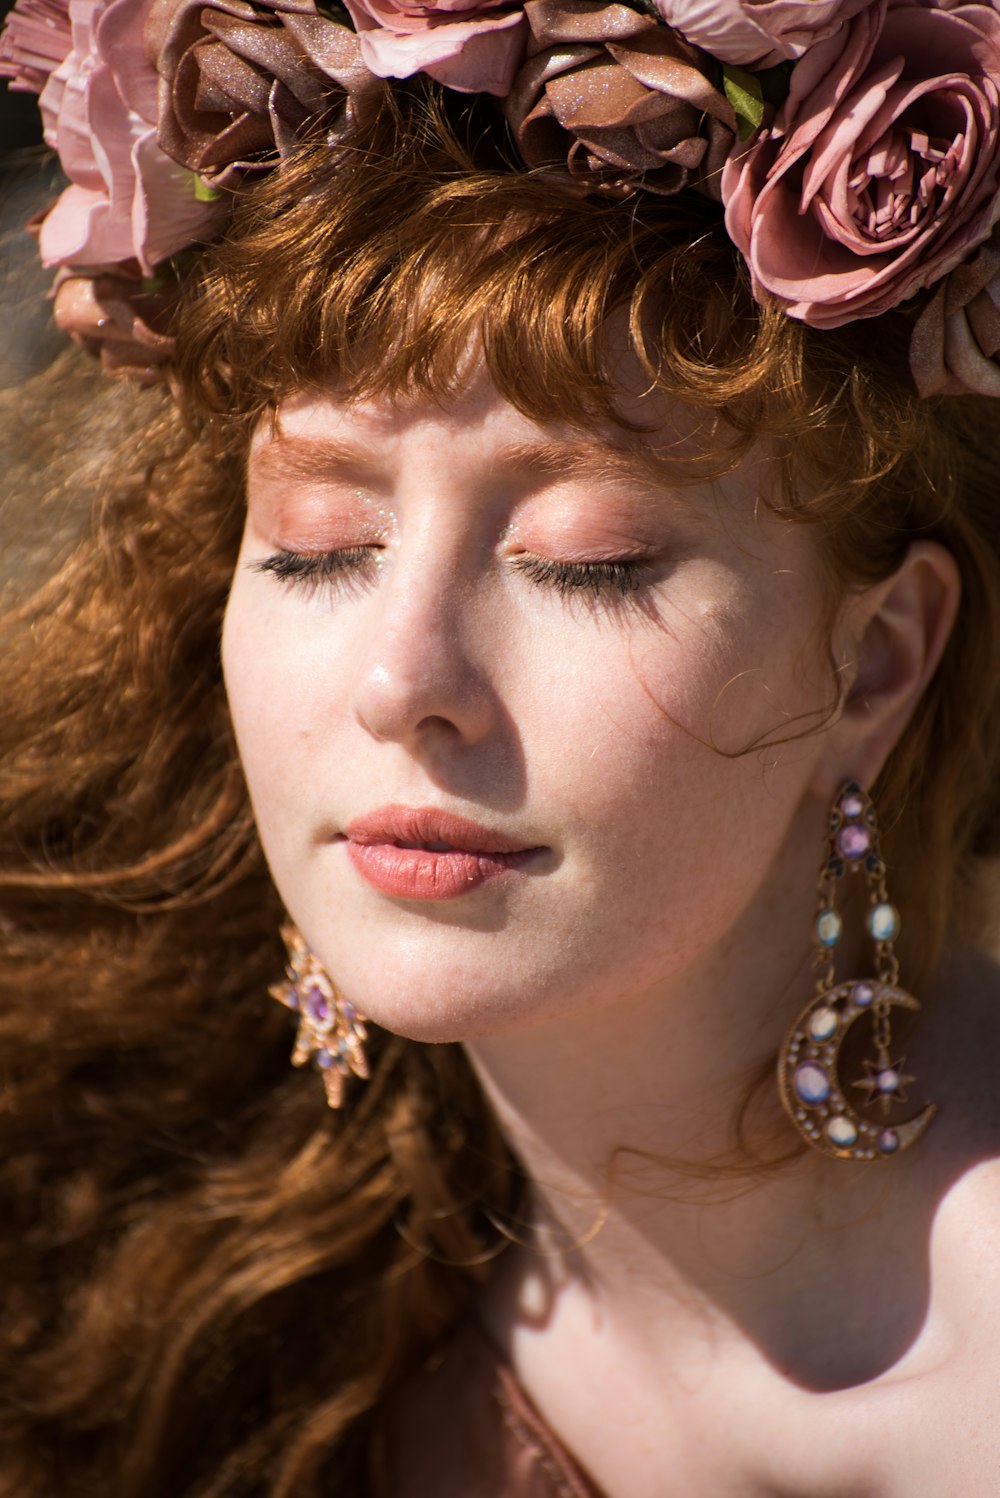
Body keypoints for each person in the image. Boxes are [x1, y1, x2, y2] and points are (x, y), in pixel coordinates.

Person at [2, 0, 1000, 1494]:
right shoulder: (111, 1211)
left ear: (878, 660)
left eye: (584, 559)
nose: (406, 679)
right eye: (319, 545)